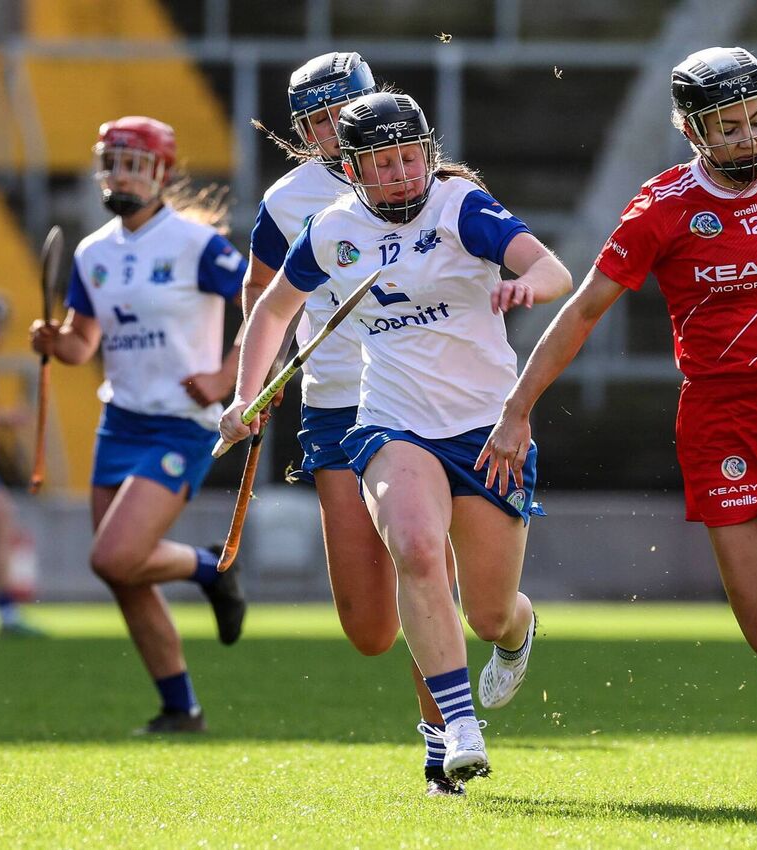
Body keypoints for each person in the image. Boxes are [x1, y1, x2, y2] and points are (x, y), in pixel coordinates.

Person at [476, 46, 757, 824]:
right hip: (720, 421)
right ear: (693, 131)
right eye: (730, 127)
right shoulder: (662, 209)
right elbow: (584, 310)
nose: (751, 137)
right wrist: (518, 409)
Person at [221, 91, 572, 784]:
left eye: (411, 157)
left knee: (490, 612)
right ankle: (454, 728)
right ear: (352, 168)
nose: (402, 174)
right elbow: (271, 310)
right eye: (382, 163)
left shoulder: (460, 207)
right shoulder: (331, 229)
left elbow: (554, 268)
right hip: (391, 422)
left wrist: (525, 286)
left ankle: (517, 632)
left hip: (484, 427)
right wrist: (244, 394)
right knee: (415, 548)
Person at [246, 52, 462, 798]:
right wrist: (257, 379)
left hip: (418, 401)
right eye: (318, 123)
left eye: (344, 114)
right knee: (369, 628)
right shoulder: (287, 201)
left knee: (421, 557)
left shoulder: (428, 181)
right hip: (335, 403)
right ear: (303, 132)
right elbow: (261, 297)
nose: (336, 134)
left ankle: (445, 740)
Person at [29, 116, 249, 734]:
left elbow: (265, 308)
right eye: (112, 162)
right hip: (119, 423)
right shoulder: (92, 251)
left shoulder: (197, 246)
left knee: (116, 556)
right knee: (124, 575)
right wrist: (55, 340)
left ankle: (212, 569)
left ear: (163, 173)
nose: (120, 175)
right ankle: (181, 709)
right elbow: (81, 344)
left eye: (134, 164)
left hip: (181, 423)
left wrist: (228, 376)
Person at [0, 292, 44, 637]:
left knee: (0, 521)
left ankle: (6, 612)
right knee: (1, 520)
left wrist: (3, 418)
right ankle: (7, 614)